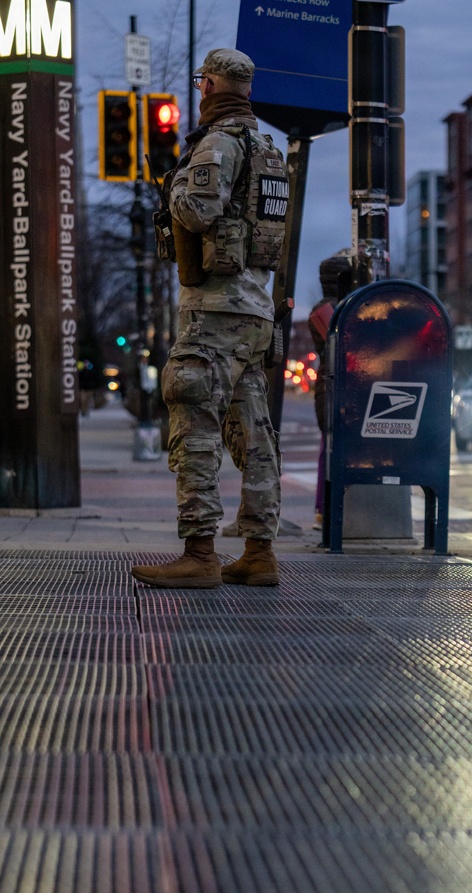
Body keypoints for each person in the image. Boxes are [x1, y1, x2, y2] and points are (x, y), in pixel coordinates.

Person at [133, 48, 288, 590]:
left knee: (194, 417)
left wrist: (172, 182)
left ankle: (199, 553)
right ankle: (259, 552)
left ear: (213, 84)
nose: (200, 89)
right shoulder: (269, 150)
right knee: (254, 432)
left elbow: (197, 211)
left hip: (215, 312)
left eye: (203, 80)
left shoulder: (218, 144)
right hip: (255, 312)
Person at [308, 252, 353, 530]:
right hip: (340, 389)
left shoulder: (318, 311)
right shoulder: (344, 310)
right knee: (336, 450)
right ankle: (329, 510)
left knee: (327, 448)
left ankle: (322, 510)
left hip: (326, 388)